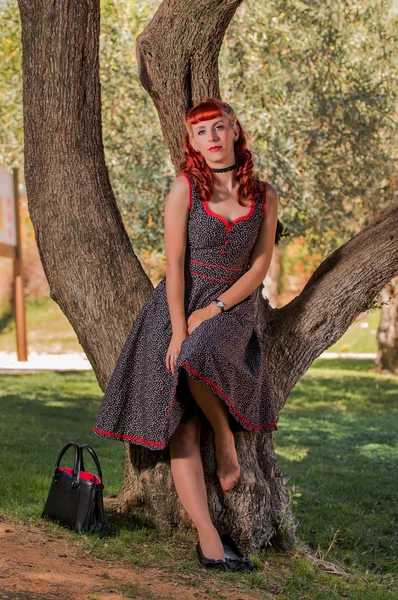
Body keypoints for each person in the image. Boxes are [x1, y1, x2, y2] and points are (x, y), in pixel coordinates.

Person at [93, 97, 281, 571]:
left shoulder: (264, 195)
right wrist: (178, 328)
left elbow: (259, 267)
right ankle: (208, 539)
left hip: (232, 306)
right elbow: (173, 264)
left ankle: (224, 438)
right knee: (180, 420)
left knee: (198, 354)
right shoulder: (185, 189)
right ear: (192, 142)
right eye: (201, 132)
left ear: (236, 131)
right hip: (178, 302)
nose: (212, 139)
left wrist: (215, 308)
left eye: (219, 128)